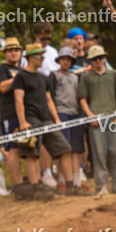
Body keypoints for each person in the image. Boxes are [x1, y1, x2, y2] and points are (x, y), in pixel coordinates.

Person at [14, 44, 83, 197]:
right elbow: (18, 100)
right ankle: (36, 188)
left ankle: (71, 186)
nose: (43, 59)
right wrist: (22, 122)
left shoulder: (42, 77)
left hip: (46, 119)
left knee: (65, 149)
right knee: (31, 153)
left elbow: (49, 100)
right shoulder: (21, 77)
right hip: (31, 119)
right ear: (31, 57)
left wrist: (56, 119)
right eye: (40, 56)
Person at [51, 47, 88, 189]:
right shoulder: (54, 75)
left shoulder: (75, 77)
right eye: (63, 59)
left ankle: (77, 180)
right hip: (61, 112)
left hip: (75, 113)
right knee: (63, 148)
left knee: (76, 149)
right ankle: (62, 179)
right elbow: (51, 96)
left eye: (68, 59)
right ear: (59, 60)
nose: (65, 62)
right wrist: (54, 116)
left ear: (71, 61)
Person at [0, 38, 26, 191]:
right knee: (12, 148)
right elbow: (3, 87)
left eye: (16, 50)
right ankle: (18, 185)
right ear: (5, 52)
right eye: (10, 50)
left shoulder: (23, 69)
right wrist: (20, 78)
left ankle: (29, 182)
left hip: (25, 114)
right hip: (9, 114)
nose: (14, 53)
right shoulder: (1, 68)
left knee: (27, 147)